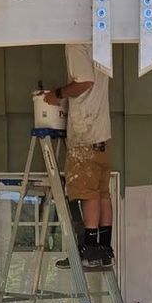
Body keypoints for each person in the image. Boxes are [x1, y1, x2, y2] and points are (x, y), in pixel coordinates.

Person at [43, 42, 114, 266]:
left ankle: (90, 249)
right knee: (102, 194)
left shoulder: (76, 45)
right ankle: (103, 248)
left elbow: (84, 82)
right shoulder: (100, 43)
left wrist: (57, 94)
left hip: (86, 134)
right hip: (101, 136)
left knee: (88, 193)